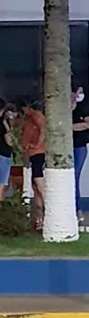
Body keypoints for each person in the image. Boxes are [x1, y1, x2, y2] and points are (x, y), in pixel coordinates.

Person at [20, 97, 46, 229]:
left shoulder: (37, 116)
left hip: (38, 153)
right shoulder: (29, 119)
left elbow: (43, 131)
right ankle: (39, 218)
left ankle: (48, 204)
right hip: (32, 154)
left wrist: (37, 144)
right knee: (35, 186)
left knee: (38, 180)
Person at [72, 87, 89, 222]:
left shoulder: (84, 107)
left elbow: (86, 125)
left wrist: (70, 127)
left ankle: (78, 209)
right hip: (66, 147)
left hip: (79, 147)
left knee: (75, 177)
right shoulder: (64, 109)